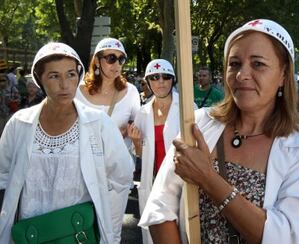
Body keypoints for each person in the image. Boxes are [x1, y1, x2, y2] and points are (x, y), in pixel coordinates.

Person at [139, 19, 299, 244]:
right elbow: (160, 206)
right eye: (234, 64)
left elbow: (281, 237)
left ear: (284, 74)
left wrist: (208, 178)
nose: (241, 75)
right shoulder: (199, 124)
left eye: (258, 64)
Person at [0, 42, 134, 243]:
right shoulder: (20, 123)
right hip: (30, 234)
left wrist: (110, 232)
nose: (64, 84)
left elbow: (121, 178)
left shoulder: (98, 123)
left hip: (79, 234)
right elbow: (3, 176)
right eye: (54, 76)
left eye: (71, 74)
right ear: (40, 79)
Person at [128, 59, 190, 244]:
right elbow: (140, 154)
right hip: (153, 184)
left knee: (183, 233)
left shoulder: (187, 108)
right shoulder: (143, 112)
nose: (160, 81)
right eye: (155, 77)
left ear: (173, 80)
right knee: (155, 235)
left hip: (181, 182)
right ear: (148, 81)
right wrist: (136, 142)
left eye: (166, 77)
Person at [76, 37, 141, 143]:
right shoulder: (77, 91)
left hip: (119, 158)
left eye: (121, 59)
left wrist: (127, 132)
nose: (117, 64)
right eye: (111, 58)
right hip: (86, 158)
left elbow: (138, 127)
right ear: (97, 61)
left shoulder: (131, 92)